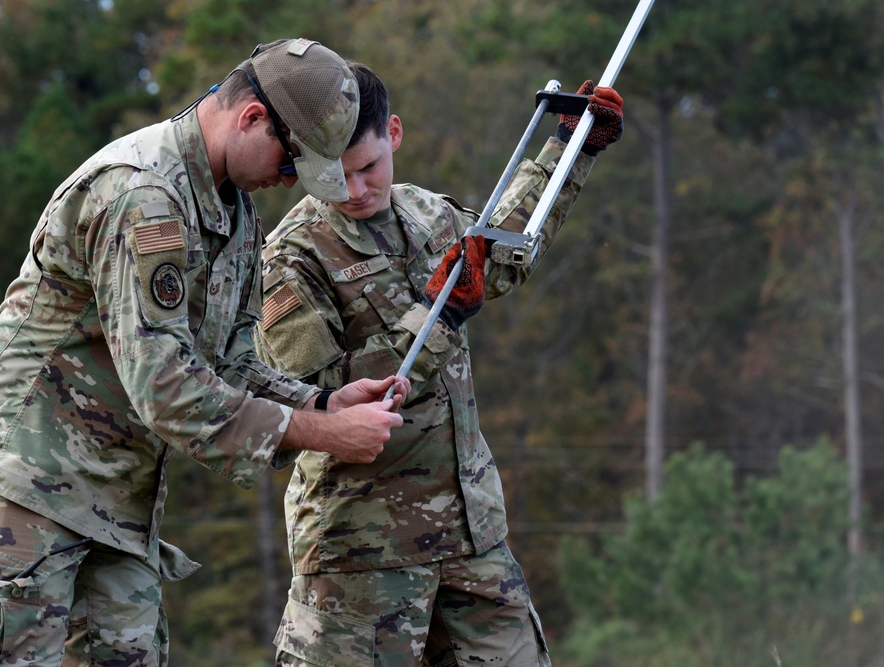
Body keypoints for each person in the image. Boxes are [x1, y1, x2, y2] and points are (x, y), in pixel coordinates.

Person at [0, 39, 410, 667]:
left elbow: (227, 362)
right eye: (291, 163)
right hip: (21, 488)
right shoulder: (142, 195)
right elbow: (169, 389)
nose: (291, 182)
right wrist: (325, 433)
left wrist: (321, 400)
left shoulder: (234, 212)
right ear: (251, 118)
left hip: (116, 500)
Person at [255, 62, 623, 666]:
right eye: (335, 177)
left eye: (368, 167)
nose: (355, 190)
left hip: (471, 537)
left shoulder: (429, 214)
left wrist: (572, 148)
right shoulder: (290, 263)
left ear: (394, 134)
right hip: (361, 553)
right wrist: (434, 317)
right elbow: (320, 398)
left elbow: (502, 252)